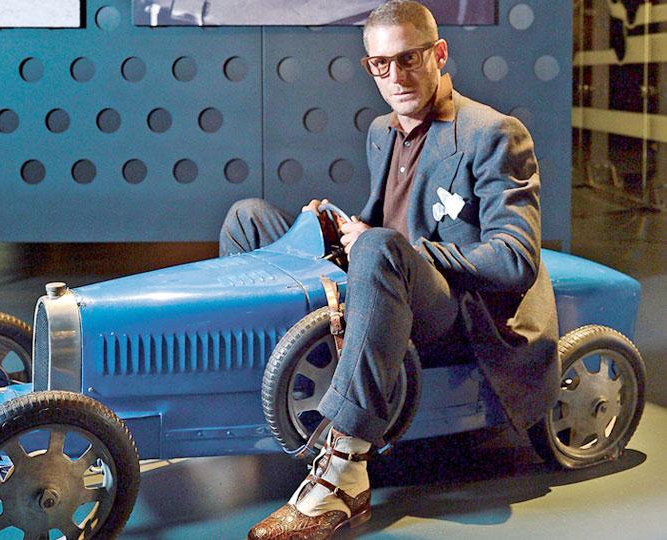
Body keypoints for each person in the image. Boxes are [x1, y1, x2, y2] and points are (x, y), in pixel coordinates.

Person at [219, 2, 560, 538]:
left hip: (455, 312)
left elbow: (514, 258)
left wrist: (394, 246)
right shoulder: (382, 130)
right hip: (390, 277)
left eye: (409, 59)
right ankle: (262, 385)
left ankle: (345, 470)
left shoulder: (494, 133)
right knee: (248, 217)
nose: (395, 77)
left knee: (379, 247)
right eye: (380, 64)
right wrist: (338, 226)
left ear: (439, 54)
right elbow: (384, 222)